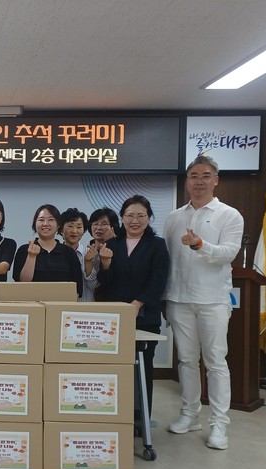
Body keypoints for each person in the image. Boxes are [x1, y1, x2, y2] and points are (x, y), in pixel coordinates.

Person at [164, 155, 244, 450]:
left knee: (215, 362)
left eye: (205, 175)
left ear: (216, 180)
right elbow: (167, 260)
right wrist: (164, 297)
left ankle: (219, 424)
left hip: (213, 301)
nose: (199, 181)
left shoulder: (229, 215)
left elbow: (228, 253)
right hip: (179, 299)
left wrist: (200, 245)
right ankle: (190, 414)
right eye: (193, 176)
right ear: (187, 181)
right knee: (186, 360)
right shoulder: (174, 217)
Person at [97, 195, 170, 419]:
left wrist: (137, 303)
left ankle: (140, 420)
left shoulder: (157, 245)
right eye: (129, 215)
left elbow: (159, 280)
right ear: (122, 218)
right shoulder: (112, 244)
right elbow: (104, 283)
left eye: (141, 216)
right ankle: (112, 417)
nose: (135, 221)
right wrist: (105, 264)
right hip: (115, 319)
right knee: (113, 370)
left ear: (149, 218)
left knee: (143, 368)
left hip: (145, 317)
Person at [12, 204, 82, 297]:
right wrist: (31, 257)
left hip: (61, 303)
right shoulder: (24, 250)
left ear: (58, 225)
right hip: (31, 302)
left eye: (51, 220)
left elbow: (77, 288)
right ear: (35, 224)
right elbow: (21, 284)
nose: (45, 224)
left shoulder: (68, 252)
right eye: (41, 220)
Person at [59, 207, 97, 301]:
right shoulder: (56, 254)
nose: (74, 231)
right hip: (61, 304)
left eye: (79, 227)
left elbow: (93, 286)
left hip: (86, 305)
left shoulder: (90, 253)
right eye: (70, 226)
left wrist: (88, 262)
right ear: (61, 230)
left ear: (84, 231)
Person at [85, 207, 120, 301]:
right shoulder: (87, 251)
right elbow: (92, 286)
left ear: (113, 227)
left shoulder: (121, 249)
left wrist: (111, 242)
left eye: (104, 224)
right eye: (95, 224)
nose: (99, 227)